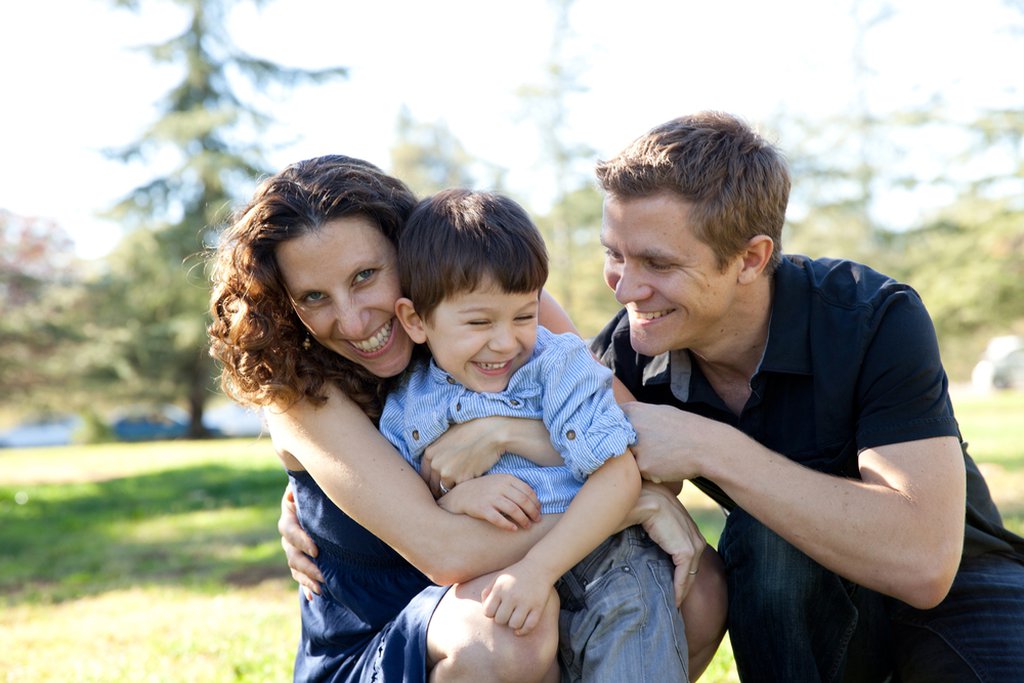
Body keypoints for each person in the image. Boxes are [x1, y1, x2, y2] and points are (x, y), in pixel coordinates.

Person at [212, 155, 724, 682]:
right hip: (391, 640)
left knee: (699, 587)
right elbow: (447, 551)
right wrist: (623, 506)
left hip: (514, 589)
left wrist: (505, 432)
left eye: (365, 276)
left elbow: (646, 445)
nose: (353, 319)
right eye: (314, 297)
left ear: (407, 251)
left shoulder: (492, 300)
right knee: (507, 631)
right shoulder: (297, 390)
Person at [590, 111, 1024, 681]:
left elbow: (926, 563)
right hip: (802, 597)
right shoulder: (630, 355)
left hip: (963, 581)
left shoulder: (872, 318)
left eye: (659, 263)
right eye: (615, 254)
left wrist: (711, 447)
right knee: (768, 540)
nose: (625, 287)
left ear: (751, 258)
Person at [383, 188, 689, 679]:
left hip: (610, 569)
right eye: (479, 321)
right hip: (500, 581)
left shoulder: (557, 366)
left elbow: (618, 477)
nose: (506, 342)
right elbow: (411, 505)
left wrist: (538, 569)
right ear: (415, 320)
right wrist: (456, 499)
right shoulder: (408, 403)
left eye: (524, 315)